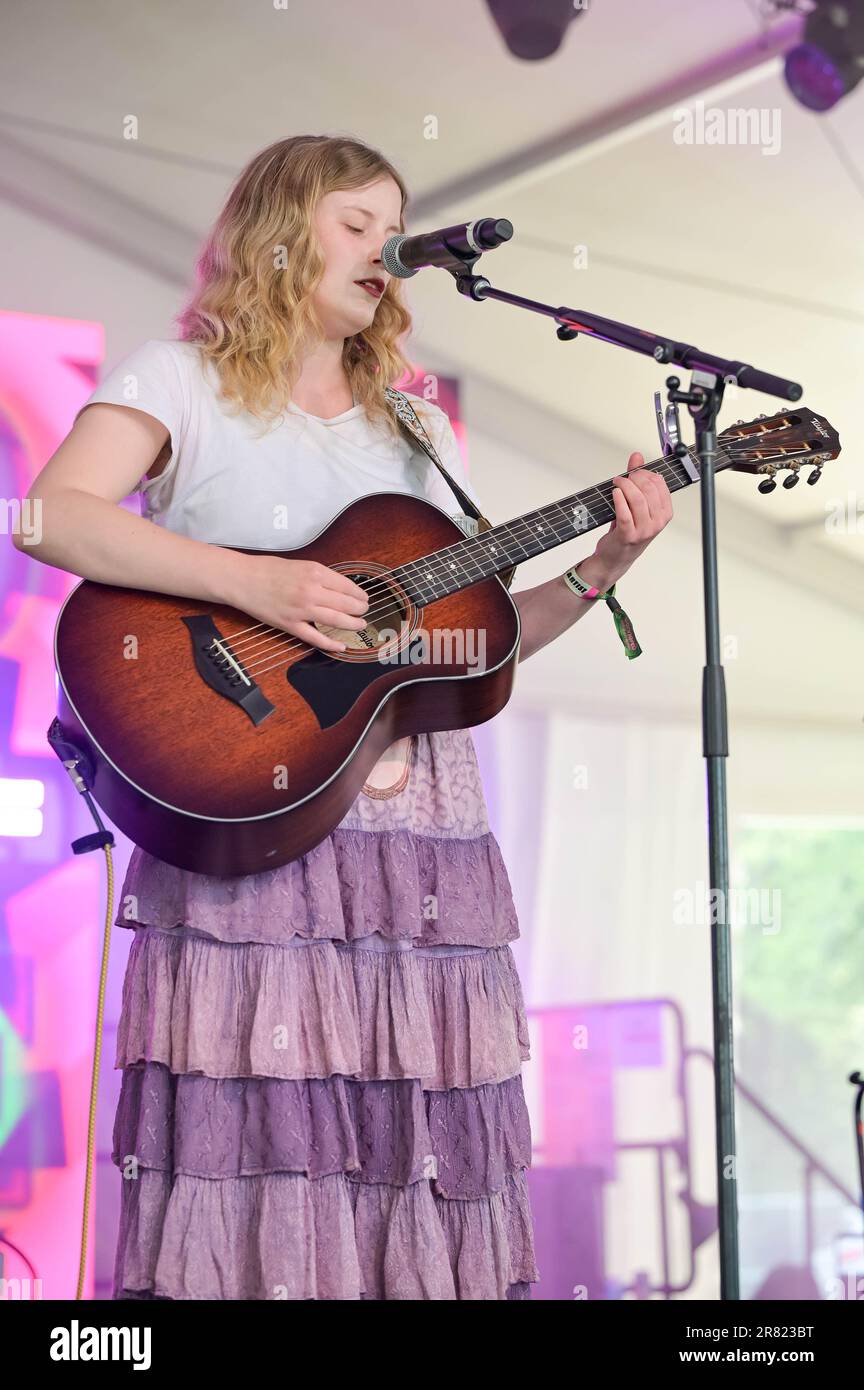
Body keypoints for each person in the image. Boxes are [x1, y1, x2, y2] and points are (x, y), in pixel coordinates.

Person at [16, 134, 672, 1300]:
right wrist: (254, 582)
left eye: (395, 229)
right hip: (248, 792)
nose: (386, 251)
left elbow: (469, 643)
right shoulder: (179, 379)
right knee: (260, 1141)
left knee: (405, 1149)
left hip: (415, 838)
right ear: (280, 232)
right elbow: (53, 517)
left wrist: (606, 563)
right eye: (358, 223)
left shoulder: (418, 430)